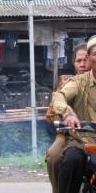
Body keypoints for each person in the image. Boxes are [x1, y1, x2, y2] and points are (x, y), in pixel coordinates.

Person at [49, 35, 96, 193]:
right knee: (63, 158)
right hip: (81, 138)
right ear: (90, 58)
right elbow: (58, 97)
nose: (82, 64)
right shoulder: (77, 82)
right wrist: (68, 114)